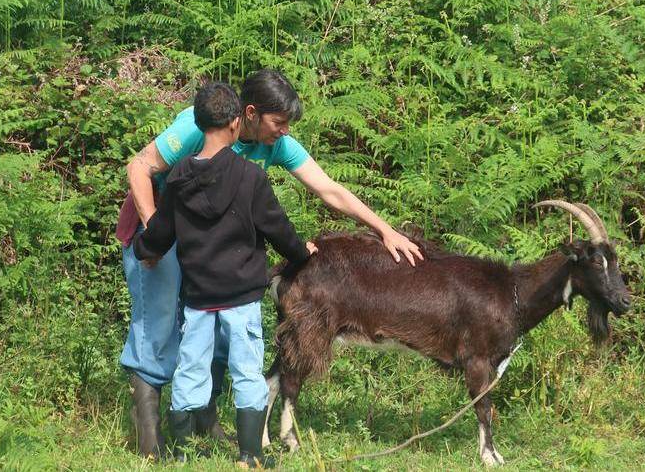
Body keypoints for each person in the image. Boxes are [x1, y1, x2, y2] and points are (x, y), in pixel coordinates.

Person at [117, 69, 424, 459]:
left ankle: (205, 428)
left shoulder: (275, 144)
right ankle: (149, 441)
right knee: (159, 328)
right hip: (157, 227)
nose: (284, 131)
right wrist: (154, 235)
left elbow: (329, 188)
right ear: (247, 114)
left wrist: (385, 230)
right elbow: (139, 167)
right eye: (278, 123)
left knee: (215, 336)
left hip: (206, 244)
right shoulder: (202, 126)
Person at [133, 82, 307, 466]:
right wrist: (301, 253)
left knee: (191, 367)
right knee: (246, 370)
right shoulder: (251, 178)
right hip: (242, 298)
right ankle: (250, 455)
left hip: (198, 299)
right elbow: (279, 229)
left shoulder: (177, 182)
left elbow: (160, 232)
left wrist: (146, 251)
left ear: (197, 122)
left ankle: (181, 453)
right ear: (235, 124)